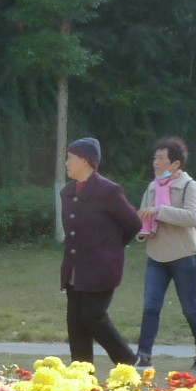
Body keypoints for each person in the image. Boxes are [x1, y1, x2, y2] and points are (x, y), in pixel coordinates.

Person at [59, 136, 143, 370]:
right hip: (75, 268)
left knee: (92, 315)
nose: (67, 162)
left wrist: (112, 248)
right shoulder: (67, 192)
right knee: (75, 322)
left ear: (85, 161)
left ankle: (129, 362)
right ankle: (82, 377)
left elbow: (133, 223)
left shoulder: (108, 190)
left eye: (70, 158)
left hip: (102, 269)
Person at [131, 136, 196, 374]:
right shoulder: (152, 187)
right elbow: (143, 215)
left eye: (161, 158)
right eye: (155, 158)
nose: (156, 162)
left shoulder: (189, 186)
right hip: (156, 255)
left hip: (185, 255)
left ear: (176, 164)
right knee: (150, 306)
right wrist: (141, 228)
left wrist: (160, 211)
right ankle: (143, 356)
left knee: (190, 307)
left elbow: (192, 217)